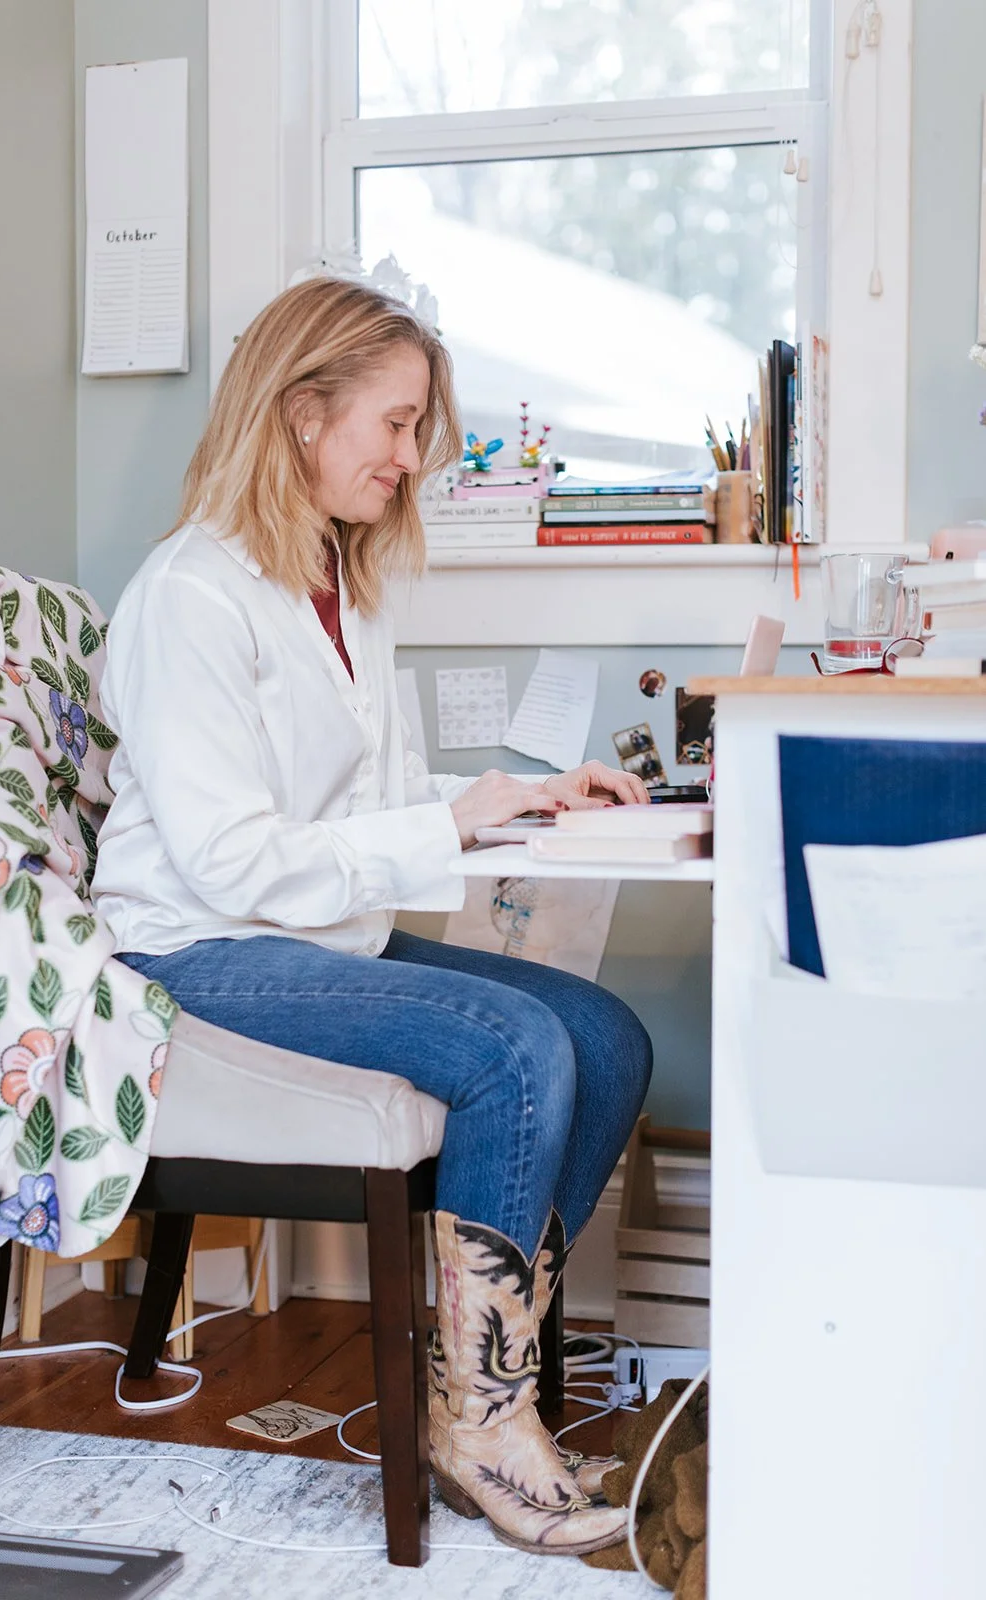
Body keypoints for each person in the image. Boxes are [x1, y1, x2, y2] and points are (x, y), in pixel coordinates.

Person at [92, 276, 653, 1558]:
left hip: (313, 933)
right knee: (514, 1049)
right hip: (195, 943)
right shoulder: (190, 594)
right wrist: (444, 826)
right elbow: (228, 856)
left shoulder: (344, 585)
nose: (410, 458)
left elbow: (383, 801)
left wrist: (515, 798)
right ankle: (487, 1427)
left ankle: (472, 1393)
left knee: (607, 1037)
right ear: (301, 413)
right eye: (394, 425)